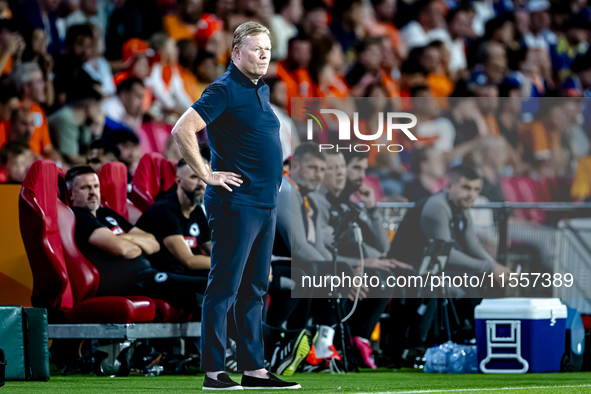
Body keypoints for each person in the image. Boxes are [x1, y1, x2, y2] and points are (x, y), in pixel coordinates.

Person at [170, 21, 299, 390]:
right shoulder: (224, 88)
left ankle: (254, 369)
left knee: (255, 287)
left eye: (268, 49)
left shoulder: (260, 88)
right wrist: (207, 172)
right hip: (236, 202)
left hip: (265, 203)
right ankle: (214, 371)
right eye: (257, 48)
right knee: (224, 286)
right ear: (236, 52)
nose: (264, 54)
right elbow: (183, 128)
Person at [66, 166, 208, 314]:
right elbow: (122, 249)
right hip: (123, 282)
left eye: (95, 186)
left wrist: (121, 238)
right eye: (85, 188)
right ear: (71, 194)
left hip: (145, 275)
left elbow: (153, 244)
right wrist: (130, 243)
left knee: (201, 291)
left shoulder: (106, 213)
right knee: (203, 287)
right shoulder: (79, 217)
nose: (92, 192)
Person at [389, 164, 512, 280]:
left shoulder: (461, 207)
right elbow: (445, 254)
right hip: (405, 269)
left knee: (474, 282)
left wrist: (495, 266)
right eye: (466, 188)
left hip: (427, 269)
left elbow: (473, 245)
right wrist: (489, 268)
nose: (472, 195)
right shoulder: (437, 206)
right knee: (469, 286)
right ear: (449, 186)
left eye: (476, 189)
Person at [136, 158, 211, 276]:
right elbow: (189, 261)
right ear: (178, 181)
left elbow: (212, 248)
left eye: (205, 177)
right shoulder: (165, 210)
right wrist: (227, 263)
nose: (201, 183)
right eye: (194, 177)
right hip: (159, 275)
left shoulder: (196, 210)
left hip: (183, 275)